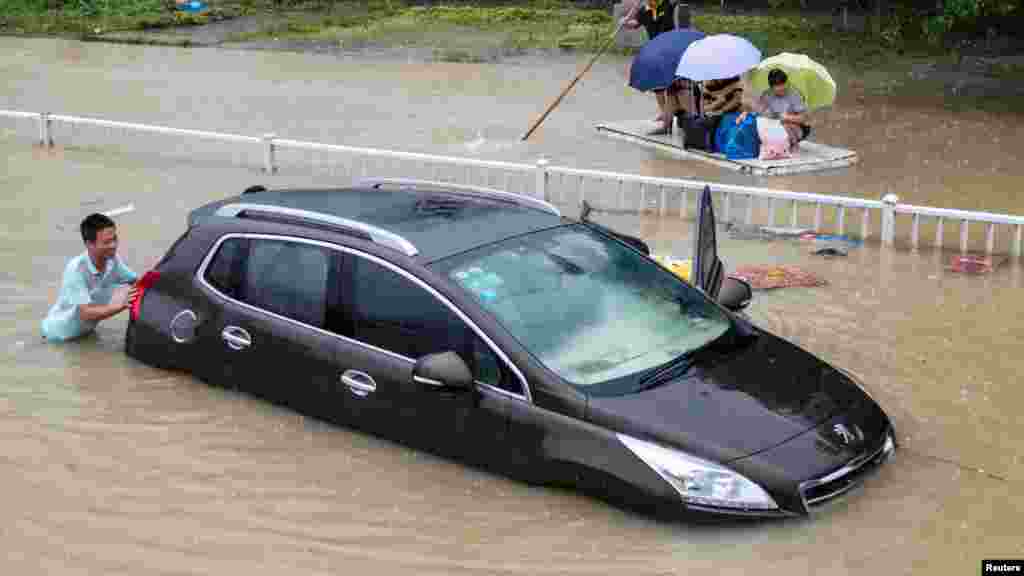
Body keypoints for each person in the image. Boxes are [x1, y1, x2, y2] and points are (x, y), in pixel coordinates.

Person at [41, 213, 138, 342]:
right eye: (107, 242)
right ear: (89, 244)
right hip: (57, 337)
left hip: (85, 334)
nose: (113, 245)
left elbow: (135, 281)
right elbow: (85, 313)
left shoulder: (112, 260)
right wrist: (120, 306)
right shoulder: (76, 270)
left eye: (115, 239)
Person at [622, 0, 678, 134]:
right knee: (657, 86)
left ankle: (669, 116)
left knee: (671, 84)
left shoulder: (666, 5)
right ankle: (664, 112)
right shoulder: (643, 11)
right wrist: (624, 22)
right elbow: (634, 24)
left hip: (670, 48)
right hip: (655, 50)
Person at [738, 68, 812, 146]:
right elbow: (759, 112)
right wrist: (746, 113)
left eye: (783, 85)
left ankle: (793, 144)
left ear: (786, 83)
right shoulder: (767, 95)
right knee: (756, 125)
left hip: (797, 127)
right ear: (771, 87)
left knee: (785, 125)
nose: (781, 88)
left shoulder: (794, 95)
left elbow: (804, 118)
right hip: (777, 125)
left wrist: (787, 117)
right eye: (777, 87)